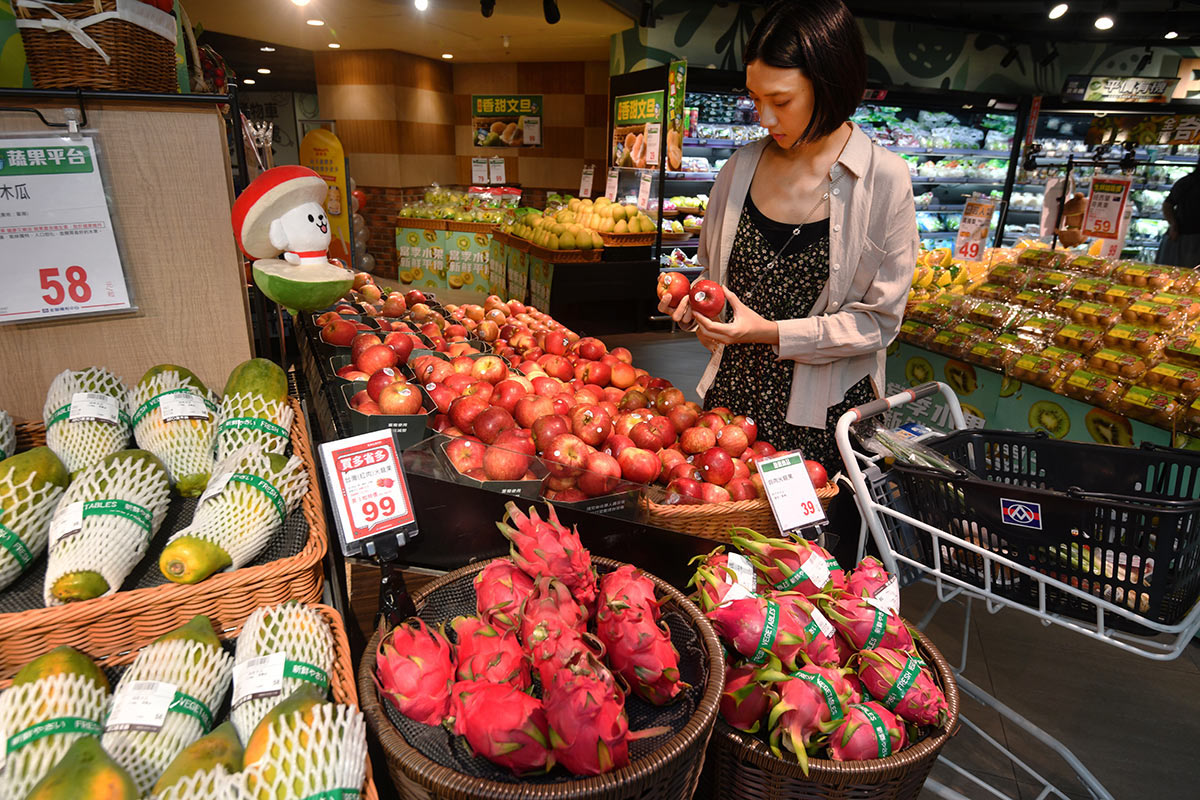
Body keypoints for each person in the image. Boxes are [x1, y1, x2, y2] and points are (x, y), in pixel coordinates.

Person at [657, 0, 917, 472]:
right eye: (755, 99)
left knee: (806, 546)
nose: (765, 118)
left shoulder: (884, 180)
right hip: (729, 412)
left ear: (830, 85)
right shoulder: (739, 169)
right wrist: (693, 310)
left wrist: (770, 333)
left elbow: (879, 323)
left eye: (781, 101)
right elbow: (713, 285)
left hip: (825, 421)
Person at [1158, 160, 1200, 268]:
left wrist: (1173, 225)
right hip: (1185, 237)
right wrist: (1173, 225)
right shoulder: (1188, 182)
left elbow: (1167, 204)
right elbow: (1168, 204)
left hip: (1184, 236)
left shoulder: (1186, 181)